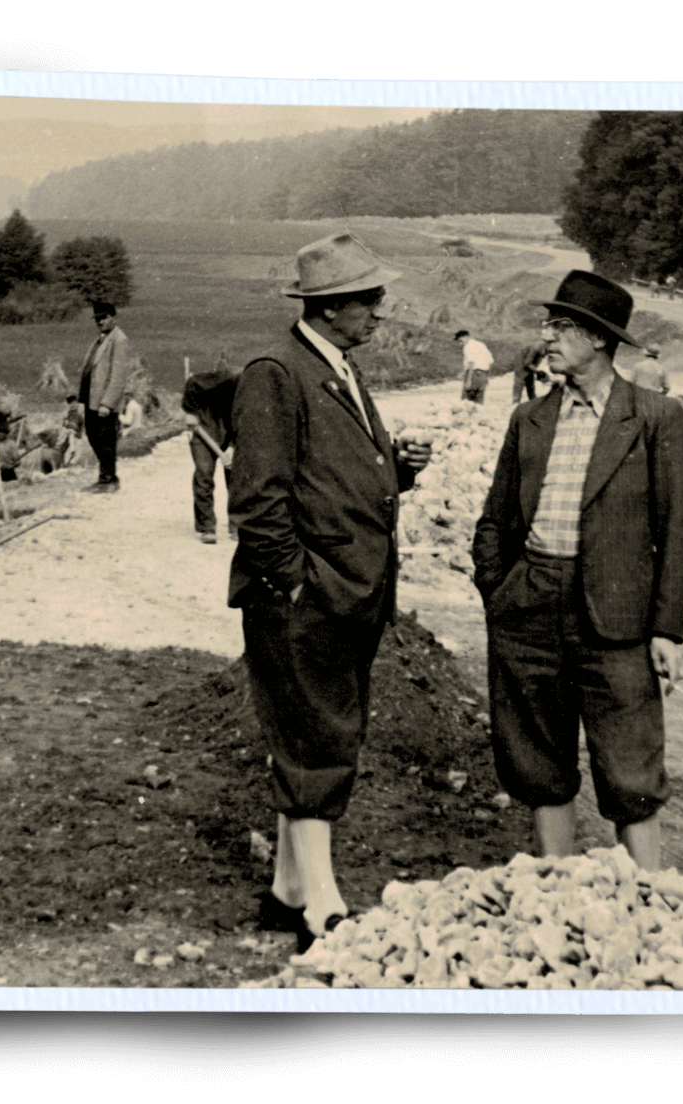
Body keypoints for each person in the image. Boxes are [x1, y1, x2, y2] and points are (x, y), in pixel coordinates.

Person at [229, 233, 434, 951]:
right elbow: (257, 501)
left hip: (347, 591)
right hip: (309, 596)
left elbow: (335, 478)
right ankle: (322, 905)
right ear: (329, 307)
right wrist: (297, 584)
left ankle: (288, 890)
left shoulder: (336, 369)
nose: (380, 311)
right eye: (369, 300)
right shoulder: (275, 373)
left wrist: (399, 468)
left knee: (315, 732)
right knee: (318, 738)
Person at [471, 270, 683, 873]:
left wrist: (666, 629)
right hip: (530, 605)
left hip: (617, 615)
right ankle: (555, 886)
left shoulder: (655, 417)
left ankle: (647, 896)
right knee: (538, 760)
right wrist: (501, 592)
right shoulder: (530, 419)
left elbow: (678, 532)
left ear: (598, 338)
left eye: (562, 326)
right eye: (548, 325)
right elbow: (495, 520)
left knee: (631, 768)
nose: (547, 337)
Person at [78, 301, 131, 493]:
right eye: (97, 319)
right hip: (91, 400)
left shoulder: (119, 340)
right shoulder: (101, 339)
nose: (100, 322)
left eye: (104, 318)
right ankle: (109, 477)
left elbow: (118, 376)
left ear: (113, 317)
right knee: (93, 436)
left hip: (103, 403)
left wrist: (107, 403)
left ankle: (107, 480)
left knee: (105, 439)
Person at [181, 368, 238, 544]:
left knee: (236, 478)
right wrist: (190, 412)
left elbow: (246, 423)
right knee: (204, 474)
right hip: (203, 431)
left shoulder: (251, 393)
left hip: (231, 432)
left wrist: (232, 446)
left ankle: (237, 525)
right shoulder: (228, 378)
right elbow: (192, 383)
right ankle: (207, 527)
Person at [513, 326, 554, 403]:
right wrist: (537, 371)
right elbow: (527, 363)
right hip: (521, 363)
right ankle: (516, 402)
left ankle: (532, 401)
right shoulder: (536, 347)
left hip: (531, 364)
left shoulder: (546, 347)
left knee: (530, 383)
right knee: (520, 381)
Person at [457, 329, 494, 404]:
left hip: (473, 375)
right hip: (483, 375)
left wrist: (469, 380)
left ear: (466, 337)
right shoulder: (481, 345)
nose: (460, 343)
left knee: (466, 403)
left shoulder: (467, 346)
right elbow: (490, 361)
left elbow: (471, 363)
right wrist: (485, 377)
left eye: (460, 340)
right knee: (478, 403)